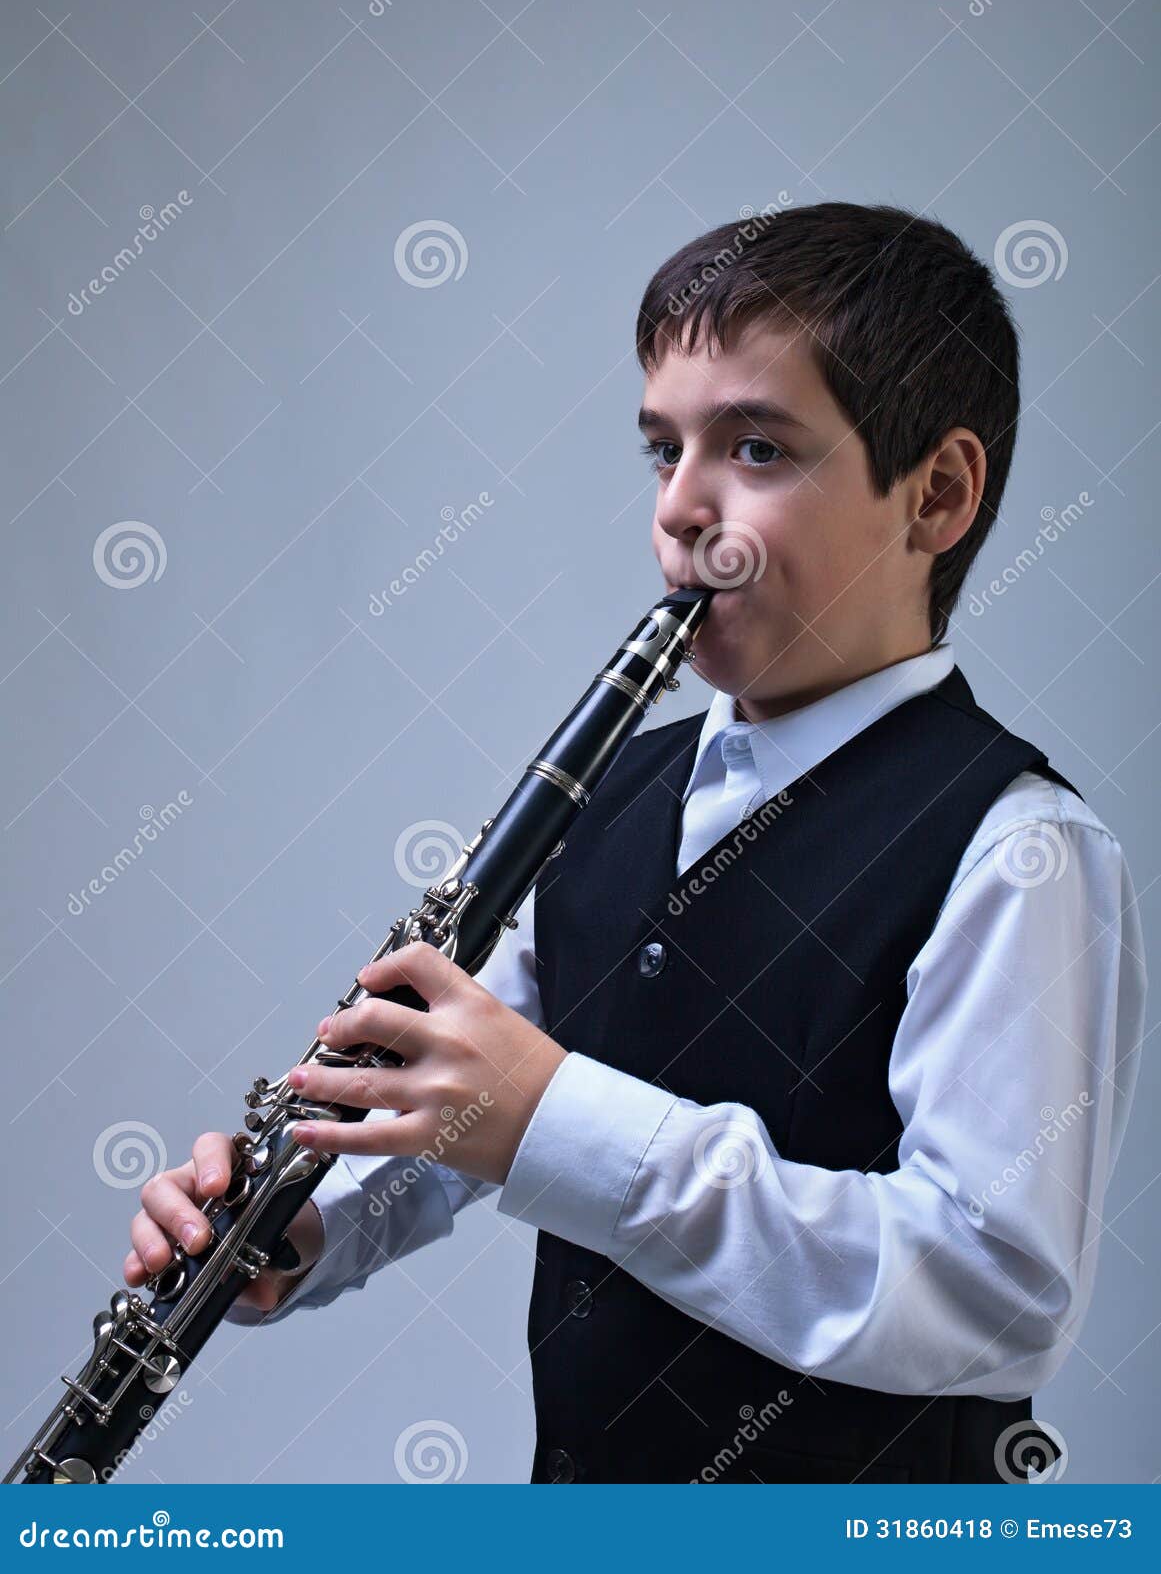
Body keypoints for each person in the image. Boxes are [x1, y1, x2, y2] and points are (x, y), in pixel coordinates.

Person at [124, 202, 1146, 1484]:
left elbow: (993, 1288)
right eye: (663, 450)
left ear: (934, 493)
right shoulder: (612, 799)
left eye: (758, 447)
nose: (681, 505)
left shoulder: (1017, 850)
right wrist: (298, 1227)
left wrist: (558, 1118)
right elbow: (451, 1112)